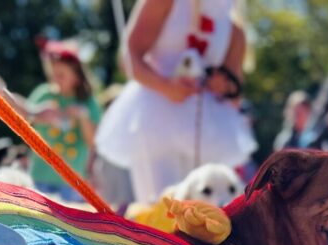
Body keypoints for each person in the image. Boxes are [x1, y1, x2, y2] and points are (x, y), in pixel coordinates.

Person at [94, 0, 256, 205]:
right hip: (156, 122)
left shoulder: (233, 23)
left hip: (211, 129)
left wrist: (225, 84)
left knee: (210, 212)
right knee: (160, 208)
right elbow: (129, 57)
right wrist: (166, 87)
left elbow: (235, 85)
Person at [19, 41, 101, 202]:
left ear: (77, 77)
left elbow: (93, 142)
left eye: (61, 75)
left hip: (72, 182)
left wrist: (83, 117)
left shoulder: (89, 103)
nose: (56, 80)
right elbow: (23, 122)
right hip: (39, 176)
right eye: (53, 74)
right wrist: (41, 116)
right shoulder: (44, 93)